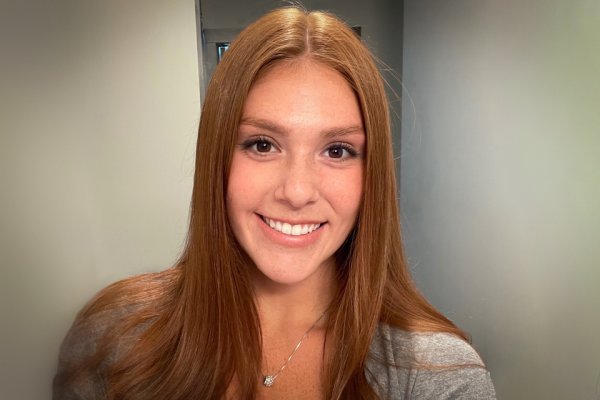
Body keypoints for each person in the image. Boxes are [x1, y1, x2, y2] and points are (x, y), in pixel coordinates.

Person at [53, 6, 496, 400]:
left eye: (337, 150)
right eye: (262, 145)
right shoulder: (113, 340)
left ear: (372, 176)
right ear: (217, 159)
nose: (297, 191)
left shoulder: (437, 377)